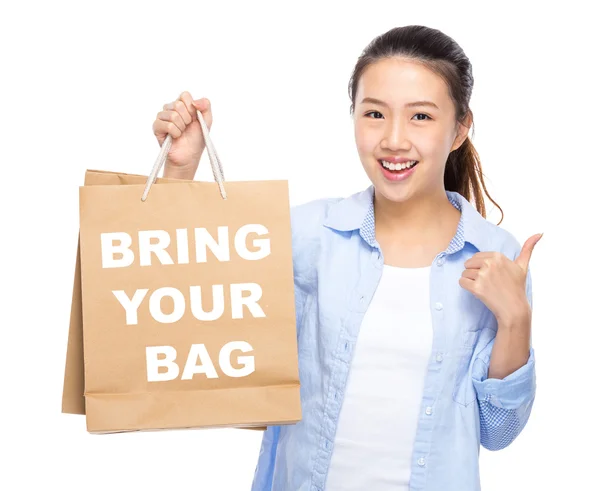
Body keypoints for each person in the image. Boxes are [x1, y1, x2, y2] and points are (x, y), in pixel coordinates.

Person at [152, 24, 541, 491]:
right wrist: (180, 168)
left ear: (459, 129)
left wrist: (516, 319)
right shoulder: (307, 234)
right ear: (353, 115)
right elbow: (180, 309)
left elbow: (497, 432)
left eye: (420, 117)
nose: (393, 140)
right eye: (374, 113)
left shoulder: (496, 256)